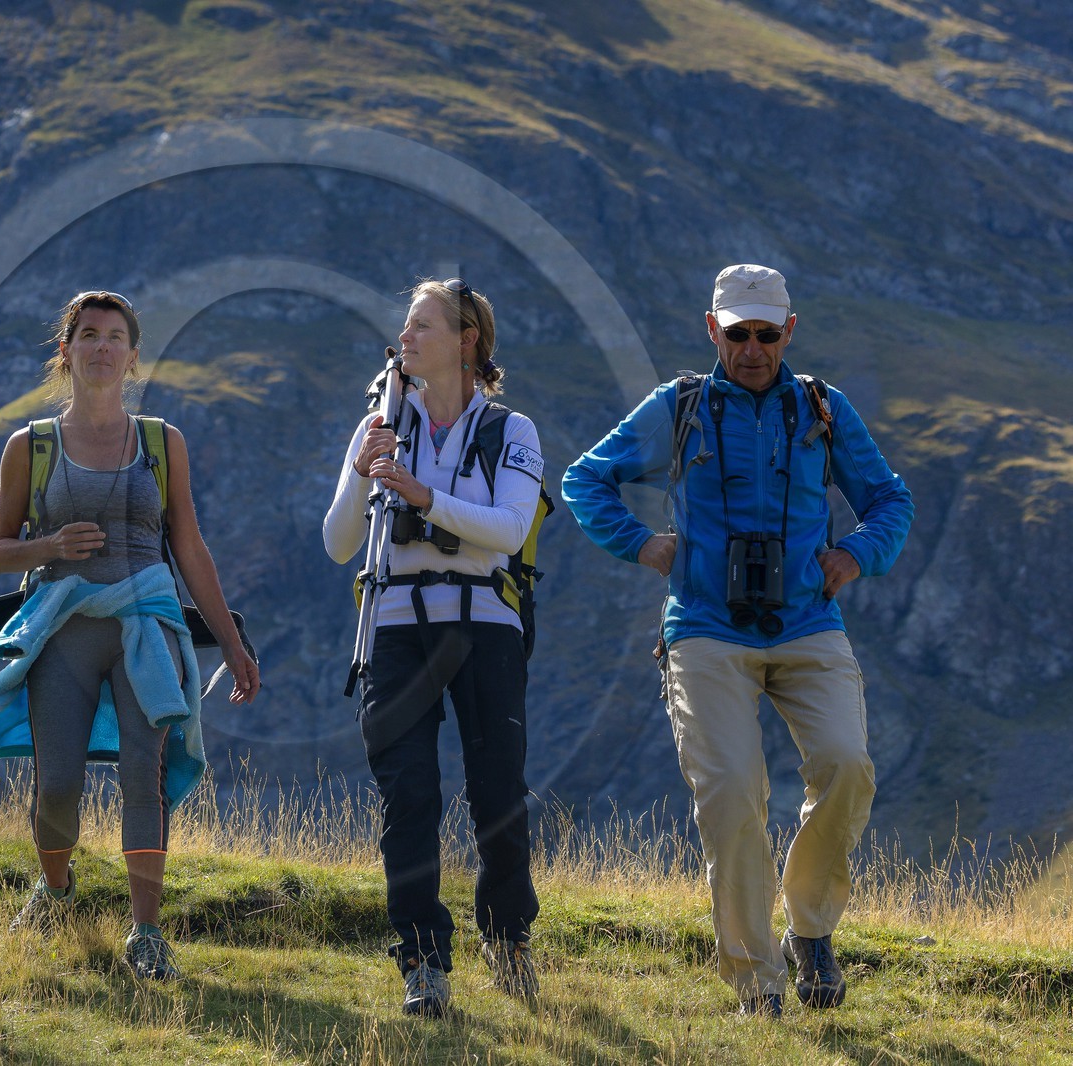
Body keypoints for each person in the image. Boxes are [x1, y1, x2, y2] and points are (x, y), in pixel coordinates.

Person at [562, 264, 914, 1016]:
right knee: (731, 796)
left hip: (810, 622)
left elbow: (889, 498)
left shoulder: (822, 408)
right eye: (736, 333)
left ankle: (810, 929)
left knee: (847, 766)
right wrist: (640, 544)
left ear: (789, 332)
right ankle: (756, 981)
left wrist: (856, 554)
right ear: (711, 328)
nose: (751, 348)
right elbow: (585, 480)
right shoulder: (678, 407)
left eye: (764, 333)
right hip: (703, 628)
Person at [0, 290, 258, 980]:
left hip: (145, 627)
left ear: (132, 357)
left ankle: (147, 932)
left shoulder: (163, 443)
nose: (102, 347)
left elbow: (188, 548)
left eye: (115, 336)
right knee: (60, 780)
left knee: (143, 776)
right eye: (88, 335)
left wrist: (234, 644)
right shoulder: (31, 447)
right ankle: (56, 889)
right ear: (65, 352)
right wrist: (51, 547)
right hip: (63, 629)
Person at [322, 279, 545, 1017]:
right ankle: (422, 959)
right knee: (408, 794)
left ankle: (507, 935)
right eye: (406, 328)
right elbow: (338, 543)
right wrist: (364, 479)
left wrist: (421, 496)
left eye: (422, 327)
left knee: (498, 792)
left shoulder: (512, 431)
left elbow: (509, 531)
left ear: (466, 341)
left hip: (485, 625)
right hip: (394, 624)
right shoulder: (377, 425)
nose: (405, 339)